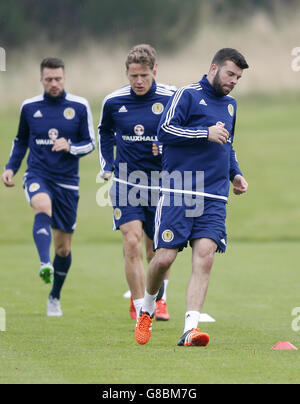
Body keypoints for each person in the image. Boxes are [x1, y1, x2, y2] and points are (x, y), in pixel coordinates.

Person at [135, 48, 249, 346]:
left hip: (214, 195)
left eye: (238, 77)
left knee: (206, 258)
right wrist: (204, 133)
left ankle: (190, 329)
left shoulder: (232, 105)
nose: (233, 81)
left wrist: (235, 174)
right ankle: (147, 308)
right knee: (164, 258)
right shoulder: (186, 94)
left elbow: (228, 145)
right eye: (229, 74)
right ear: (214, 68)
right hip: (179, 190)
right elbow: (165, 130)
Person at [1, 57, 95, 317]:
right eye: (49, 79)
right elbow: (20, 141)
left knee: (63, 248)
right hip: (38, 174)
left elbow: (90, 143)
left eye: (58, 79)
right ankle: (45, 263)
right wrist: (11, 167)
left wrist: (71, 147)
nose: (54, 83)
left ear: (64, 78)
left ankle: (54, 295)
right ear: (41, 79)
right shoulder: (30, 107)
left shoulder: (79, 106)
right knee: (42, 205)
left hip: (67, 182)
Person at [98, 44, 176, 320]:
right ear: (126, 74)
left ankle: (159, 298)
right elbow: (105, 132)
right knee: (131, 243)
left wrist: (165, 148)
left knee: (157, 249)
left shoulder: (172, 98)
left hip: (161, 183)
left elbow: (184, 135)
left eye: (144, 75)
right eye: (133, 76)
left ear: (154, 71)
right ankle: (140, 304)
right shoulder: (113, 102)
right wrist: (107, 165)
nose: (139, 81)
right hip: (126, 183)